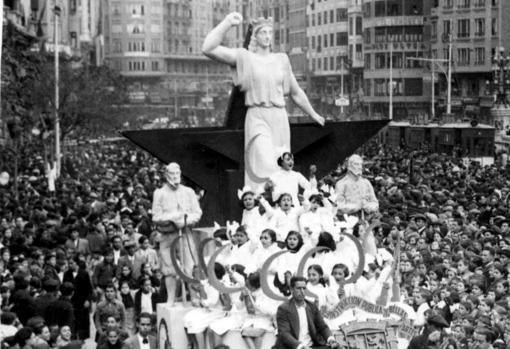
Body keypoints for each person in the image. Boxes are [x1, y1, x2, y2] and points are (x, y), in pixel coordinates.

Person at [202, 12, 325, 189]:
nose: (267, 36)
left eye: (269, 33)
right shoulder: (245, 58)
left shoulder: (281, 59)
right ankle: (259, 205)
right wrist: (227, 23)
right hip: (257, 117)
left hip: (279, 117)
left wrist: (313, 114)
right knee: (264, 162)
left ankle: (283, 207)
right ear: (255, 36)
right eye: (262, 32)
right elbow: (208, 48)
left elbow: (296, 92)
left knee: (281, 164)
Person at [152, 162, 202, 304]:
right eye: (172, 174)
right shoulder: (159, 193)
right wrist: (172, 218)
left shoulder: (188, 192)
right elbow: (155, 217)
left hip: (185, 233)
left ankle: (194, 296)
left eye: (177, 174)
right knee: (169, 269)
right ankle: (171, 298)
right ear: (166, 175)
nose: (175, 177)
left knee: (189, 267)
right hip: (167, 235)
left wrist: (186, 220)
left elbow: (197, 213)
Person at [274, 276, 339, 349]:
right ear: (292, 289)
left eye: (304, 288)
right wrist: (300, 346)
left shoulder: (312, 306)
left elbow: (322, 327)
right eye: (298, 288)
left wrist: (330, 339)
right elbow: (284, 333)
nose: (302, 291)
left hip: (312, 346)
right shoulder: (283, 308)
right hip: (293, 347)